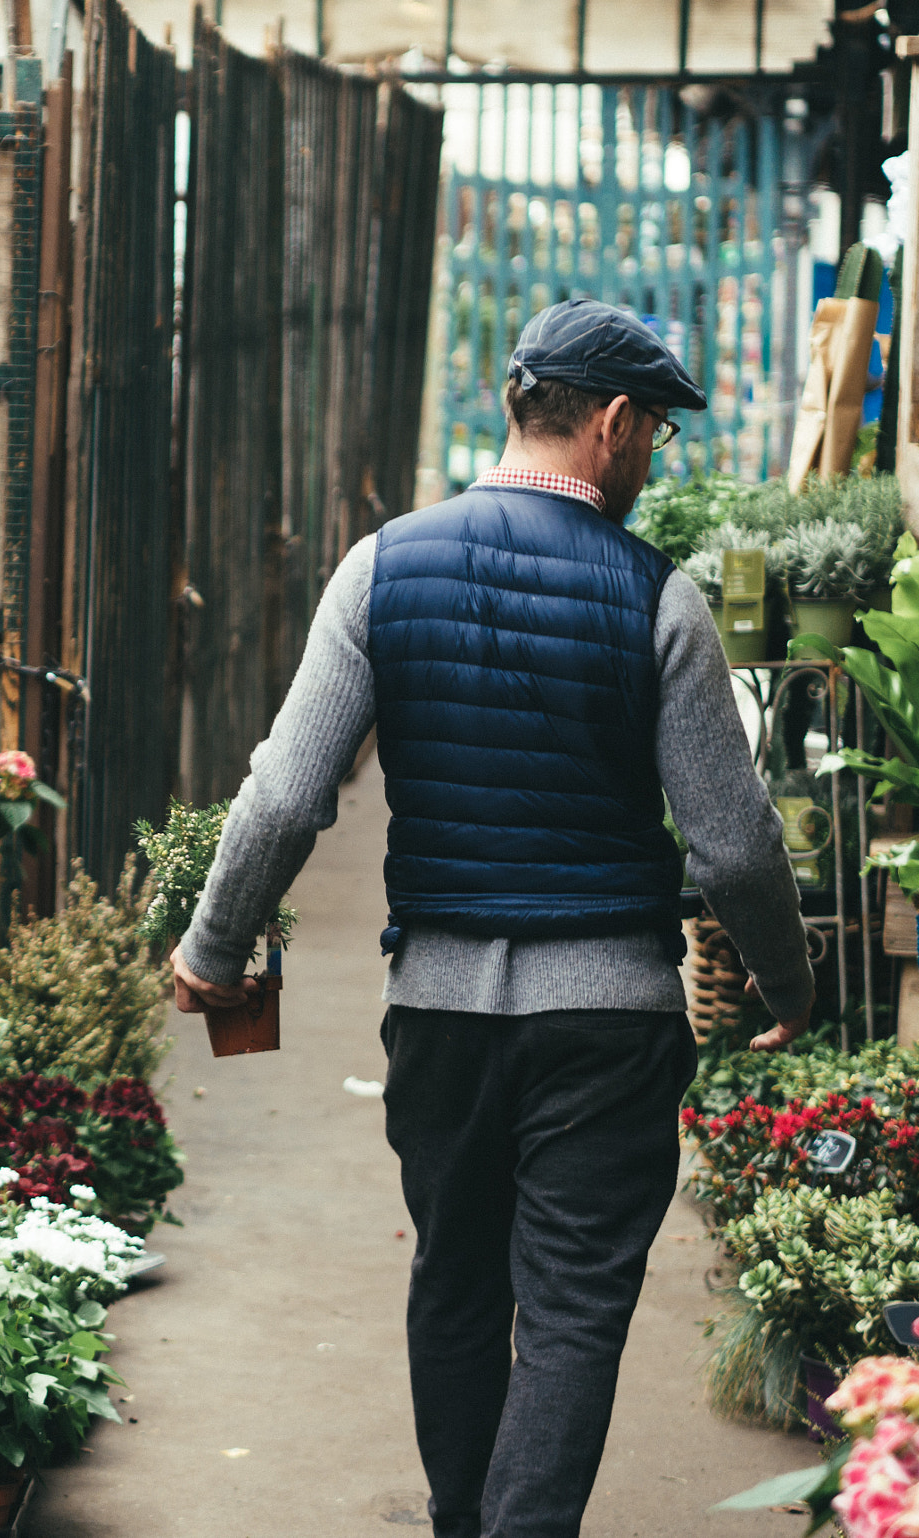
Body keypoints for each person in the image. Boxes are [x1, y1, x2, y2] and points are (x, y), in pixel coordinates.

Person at [169, 299, 813, 1538]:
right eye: (655, 435)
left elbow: (286, 791)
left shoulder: (380, 565)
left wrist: (211, 946)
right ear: (611, 425)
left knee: (454, 1285)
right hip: (608, 1023)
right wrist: (789, 988)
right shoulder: (659, 600)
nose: (649, 459)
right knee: (570, 1308)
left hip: (440, 1014)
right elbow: (733, 843)